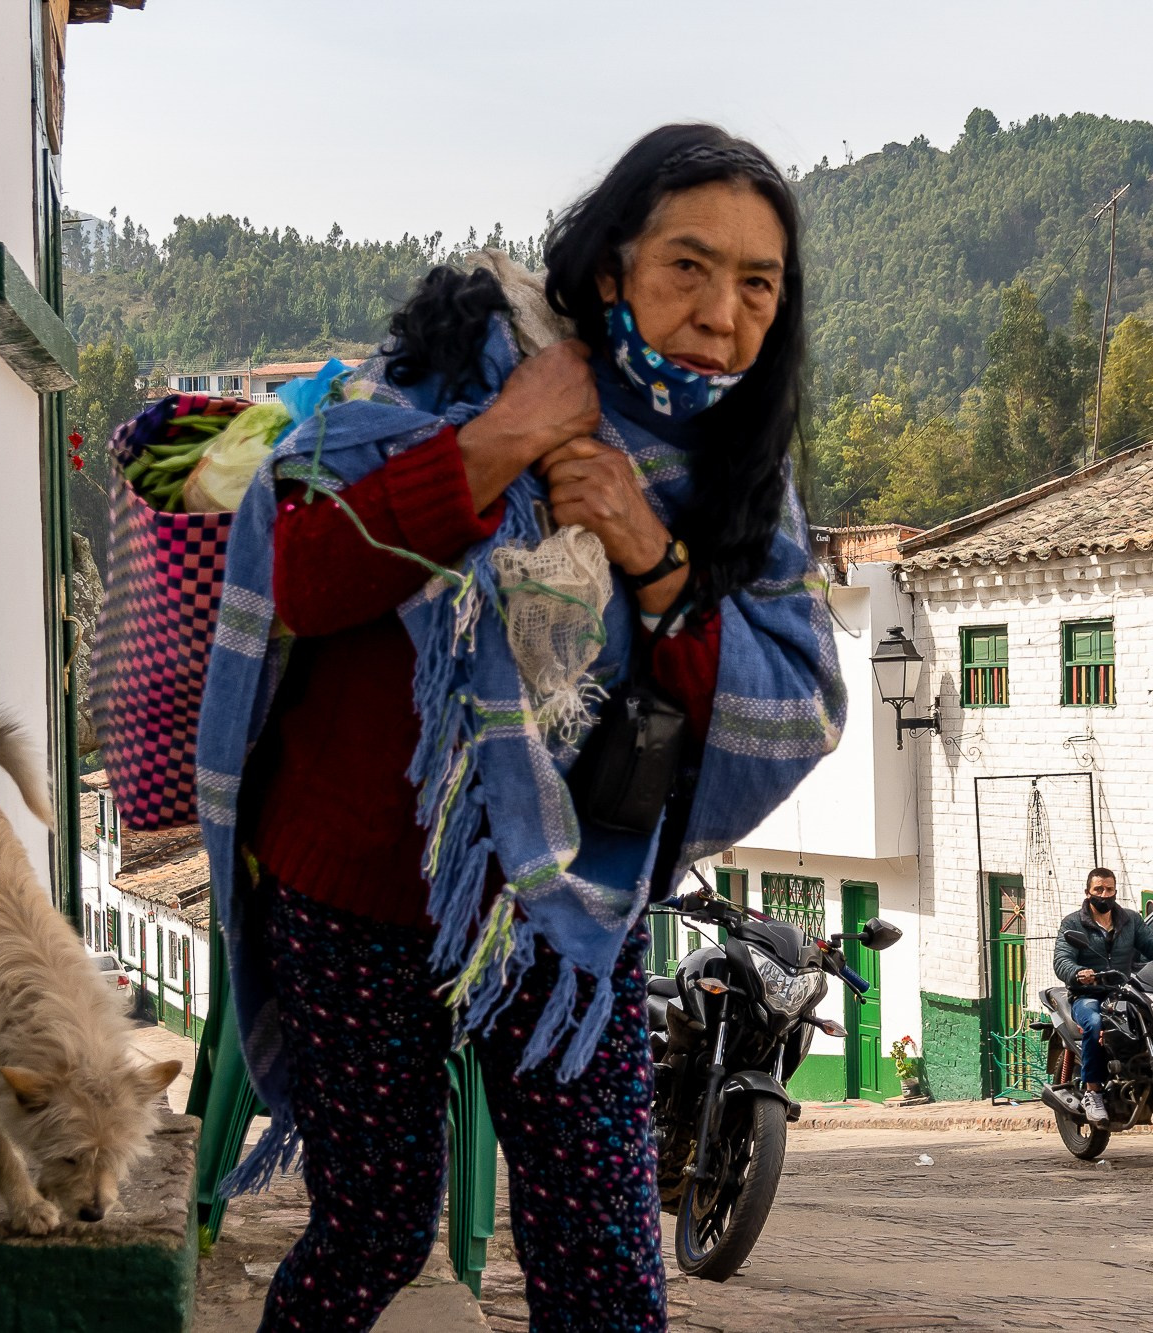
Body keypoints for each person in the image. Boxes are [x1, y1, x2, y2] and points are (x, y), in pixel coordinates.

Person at [194, 124, 844, 1333]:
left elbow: (785, 698)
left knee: (602, 1261)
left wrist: (655, 563)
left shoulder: (738, 473)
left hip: (564, 900)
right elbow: (306, 578)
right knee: (376, 1221)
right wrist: (499, 444)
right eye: (688, 267)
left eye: (758, 283)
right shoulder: (454, 369)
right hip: (355, 888)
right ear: (612, 269)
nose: (721, 311)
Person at [1053, 869, 1153, 1125]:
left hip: (1123, 990)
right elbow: (1062, 960)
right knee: (1094, 1025)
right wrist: (1078, 974)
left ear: (1115, 891)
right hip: (1088, 994)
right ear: (1088, 893)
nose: (1104, 895)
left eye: (1109, 889)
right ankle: (1093, 1092)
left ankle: (1146, 1068)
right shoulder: (1073, 924)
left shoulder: (1130, 919)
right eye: (1098, 890)